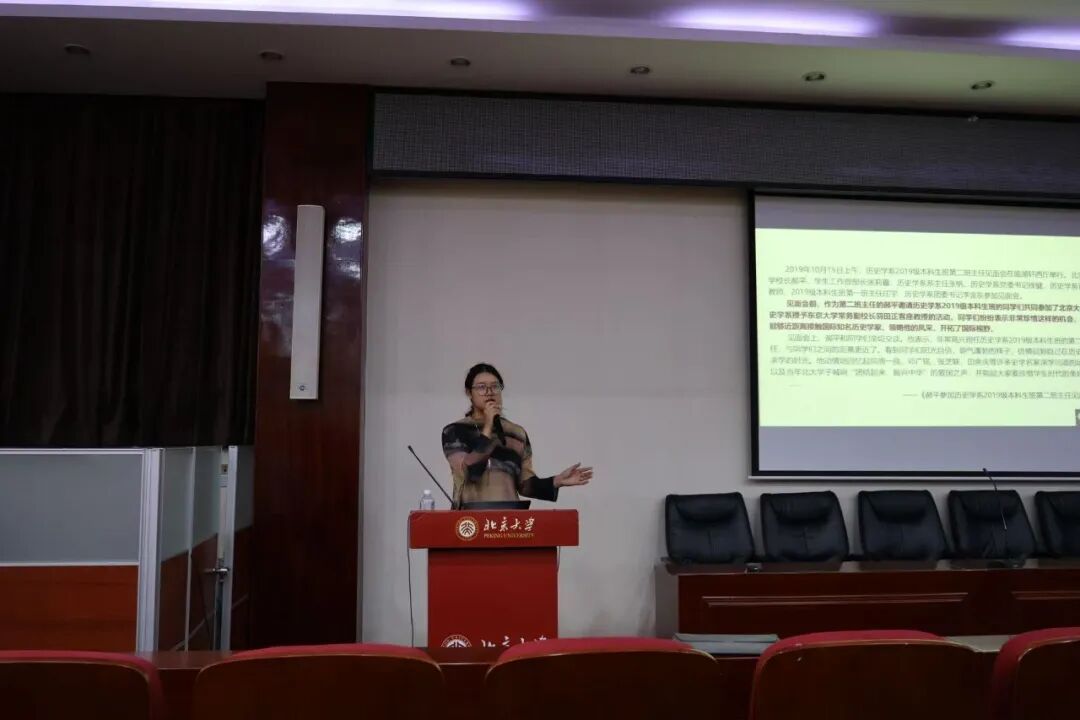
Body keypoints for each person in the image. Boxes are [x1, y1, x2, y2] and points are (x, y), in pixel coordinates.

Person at [441, 363, 592, 507]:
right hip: (470, 519)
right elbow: (469, 472)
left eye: (495, 386)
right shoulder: (455, 431)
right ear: (469, 393)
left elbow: (524, 485)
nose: (489, 392)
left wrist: (556, 481)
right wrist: (488, 426)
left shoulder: (516, 433)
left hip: (509, 518)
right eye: (481, 387)